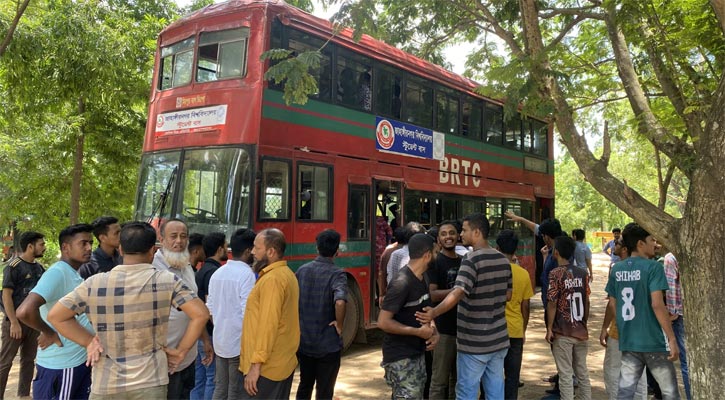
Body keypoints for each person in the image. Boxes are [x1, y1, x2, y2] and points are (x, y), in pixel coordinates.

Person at [47, 221, 210, 399]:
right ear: (152, 250)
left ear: (121, 249)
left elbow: (56, 316)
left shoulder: (95, 283)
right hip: (151, 381)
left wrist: (88, 341)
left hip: (106, 383)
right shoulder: (167, 280)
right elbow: (201, 314)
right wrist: (181, 351)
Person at [417, 213, 512, 400]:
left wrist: (434, 312)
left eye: (465, 230)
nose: (461, 234)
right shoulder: (503, 260)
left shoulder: (471, 259)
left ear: (477, 232)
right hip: (499, 339)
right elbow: (508, 295)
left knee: (466, 392)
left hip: (474, 342)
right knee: (495, 391)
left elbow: (458, 292)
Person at [17, 225, 95, 400]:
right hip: (63, 365)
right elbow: (24, 311)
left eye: (90, 243)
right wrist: (49, 332)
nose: (89, 248)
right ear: (66, 247)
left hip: (76, 363)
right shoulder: (58, 273)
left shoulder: (72, 273)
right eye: (83, 243)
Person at [604, 223, 679, 399]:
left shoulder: (617, 269)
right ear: (640, 243)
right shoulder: (653, 267)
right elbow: (657, 304)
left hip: (629, 341)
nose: (655, 244)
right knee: (669, 392)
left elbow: (613, 303)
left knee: (626, 392)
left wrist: (624, 327)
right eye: (651, 240)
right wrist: (672, 337)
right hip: (653, 341)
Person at [153, 218, 211, 400]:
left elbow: (196, 309)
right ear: (161, 239)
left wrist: (205, 340)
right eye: (173, 236)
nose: (179, 241)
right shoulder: (153, 269)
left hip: (188, 356)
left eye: (183, 236)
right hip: (167, 357)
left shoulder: (187, 266)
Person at [240, 228, 299, 399]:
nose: (252, 252)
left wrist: (256, 366)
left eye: (256, 248)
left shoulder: (273, 280)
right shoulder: (285, 274)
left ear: (271, 251)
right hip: (279, 363)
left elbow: (268, 325)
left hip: (267, 369)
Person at [379, 233, 439, 400]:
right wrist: (417, 332)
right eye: (435, 252)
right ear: (427, 256)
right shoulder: (401, 282)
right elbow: (383, 322)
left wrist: (434, 331)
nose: (437, 256)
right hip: (400, 357)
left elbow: (427, 310)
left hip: (417, 353)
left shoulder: (424, 277)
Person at [295, 229, 347, 400]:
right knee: (324, 390)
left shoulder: (301, 271)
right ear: (337, 251)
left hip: (304, 341)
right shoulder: (337, 274)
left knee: (305, 385)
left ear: (316, 248)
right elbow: (340, 301)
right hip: (328, 344)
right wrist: (339, 324)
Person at [207, 229, 256, 400]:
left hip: (220, 341)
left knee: (220, 388)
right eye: (255, 249)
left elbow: (210, 310)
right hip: (238, 344)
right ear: (248, 251)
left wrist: (222, 327)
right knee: (235, 391)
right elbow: (247, 313)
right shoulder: (247, 275)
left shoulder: (218, 273)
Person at [599, 235, 648, 400]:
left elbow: (612, 304)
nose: (614, 245)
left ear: (625, 248)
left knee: (613, 370)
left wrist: (604, 328)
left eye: (617, 243)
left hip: (619, 330)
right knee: (639, 373)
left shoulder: (617, 269)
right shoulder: (648, 268)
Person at [0, 231, 45, 399]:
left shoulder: (39, 268)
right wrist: (13, 322)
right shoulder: (14, 267)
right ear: (30, 246)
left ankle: (24, 395)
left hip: (33, 323)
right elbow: (6, 296)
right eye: (41, 244)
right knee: (5, 362)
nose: (44, 248)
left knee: (28, 360)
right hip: (14, 323)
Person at [545, 236, 591, 400]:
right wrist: (583, 322)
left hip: (562, 330)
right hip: (580, 330)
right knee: (582, 372)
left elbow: (552, 302)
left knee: (565, 374)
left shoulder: (555, 274)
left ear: (556, 252)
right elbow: (586, 300)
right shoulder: (582, 273)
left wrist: (550, 327)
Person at [496, 230, 534, 400]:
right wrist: (523, 329)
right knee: (512, 377)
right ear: (515, 250)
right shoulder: (523, 274)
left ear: (497, 248)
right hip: (515, 331)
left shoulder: (492, 271)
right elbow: (526, 306)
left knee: (492, 375)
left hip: (494, 331)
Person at [428, 221, 461, 400]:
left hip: (462, 330)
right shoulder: (435, 263)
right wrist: (458, 291)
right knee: (439, 380)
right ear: (439, 239)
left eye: (452, 233)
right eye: (444, 234)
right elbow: (432, 294)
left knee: (457, 379)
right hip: (442, 330)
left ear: (458, 236)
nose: (448, 236)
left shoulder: (464, 262)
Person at [191, 232, 227, 400]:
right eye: (226, 246)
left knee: (199, 380)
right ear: (220, 249)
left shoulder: (200, 271)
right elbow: (210, 307)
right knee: (212, 379)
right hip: (210, 335)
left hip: (198, 333)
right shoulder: (214, 272)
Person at [662, 252, 690, 400]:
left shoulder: (671, 257)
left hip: (682, 315)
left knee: (687, 363)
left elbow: (671, 288)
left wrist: (673, 313)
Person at [377, 226, 405, 308]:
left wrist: (381, 294)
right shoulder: (411, 250)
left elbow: (382, 273)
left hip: (391, 290)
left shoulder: (388, 250)